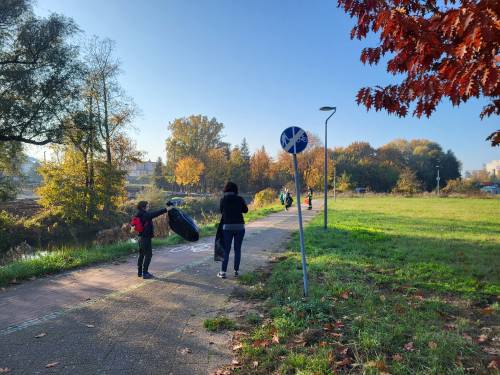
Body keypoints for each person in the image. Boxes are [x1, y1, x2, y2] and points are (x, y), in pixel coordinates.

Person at [218, 181, 248, 279]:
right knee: (237, 249)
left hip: (227, 227)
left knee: (226, 250)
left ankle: (223, 272)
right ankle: (236, 272)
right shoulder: (240, 199)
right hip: (240, 227)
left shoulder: (223, 199)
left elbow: (221, 211)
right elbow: (245, 210)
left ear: (226, 189)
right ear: (235, 190)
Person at [134, 200, 169, 279]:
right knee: (148, 255)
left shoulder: (139, 214)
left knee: (141, 255)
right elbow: (155, 213)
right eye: (147, 206)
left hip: (141, 238)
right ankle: (145, 273)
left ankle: (140, 272)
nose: (148, 207)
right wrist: (166, 209)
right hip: (145, 239)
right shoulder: (145, 215)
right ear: (143, 207)